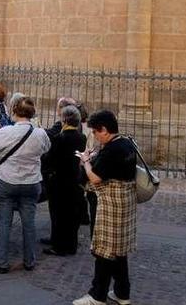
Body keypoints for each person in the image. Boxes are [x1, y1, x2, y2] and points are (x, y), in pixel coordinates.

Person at [73, 110, 137, 305]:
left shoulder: (112, 149)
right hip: (125, 203)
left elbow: (95, 178)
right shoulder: (127, 143)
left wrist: (85, 161)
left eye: (95, 132)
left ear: (104, 130)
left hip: (111, 204)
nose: (94, 135)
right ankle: (122, 293)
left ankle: (97, 295)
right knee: (118, 251)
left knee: (104, 251)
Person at [0, 96, 50, 274]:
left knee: (4, 222)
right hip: (31, 182)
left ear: (14, 111)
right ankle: (29, 260)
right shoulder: (40, 133)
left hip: (7, 181)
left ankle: (1, 261)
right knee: (29, 222)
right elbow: (46, 148)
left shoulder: (7, 131)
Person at [42, 105, 87, 256]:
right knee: (71, 214)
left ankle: (58, 245)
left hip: (58, 180)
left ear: (64, 120)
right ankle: (70, 245)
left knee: (57, 214)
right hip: (74, 178)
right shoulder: (82, 138)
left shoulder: (58, 139)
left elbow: (49, 159)